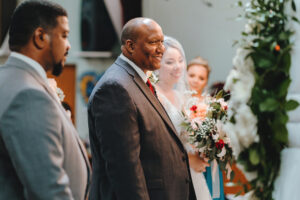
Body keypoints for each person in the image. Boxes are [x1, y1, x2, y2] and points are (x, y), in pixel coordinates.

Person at [88, 18, 196, 200]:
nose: (161, 49)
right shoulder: (115, 88)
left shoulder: (137, 80)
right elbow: (125, 169)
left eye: (161, 42)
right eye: (154, 42)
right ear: (130, 46)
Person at [0, 1, 91, 199]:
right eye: (64, 35)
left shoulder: (8, 78)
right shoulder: (28, 96)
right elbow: (48, 190)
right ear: (40, 37)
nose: (68, 46)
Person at [155, 36, 211, 200]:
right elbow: (159, 143)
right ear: (157, 63)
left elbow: (188, 134)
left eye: (180, 60)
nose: (178, 67)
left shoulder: (181, 97)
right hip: (172, 174)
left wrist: (203, 148)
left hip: (193, 173)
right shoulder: (154, 96)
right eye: (170, 62)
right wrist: (187, 160)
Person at [187, 57, 225, 200]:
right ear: (185, 75)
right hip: (186, 163)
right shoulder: (177, 101)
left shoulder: (213, 105)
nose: (195, 80)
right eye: (191, 75)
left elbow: (220, 133)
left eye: (201, 78)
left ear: (206, 81)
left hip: (208, 163)